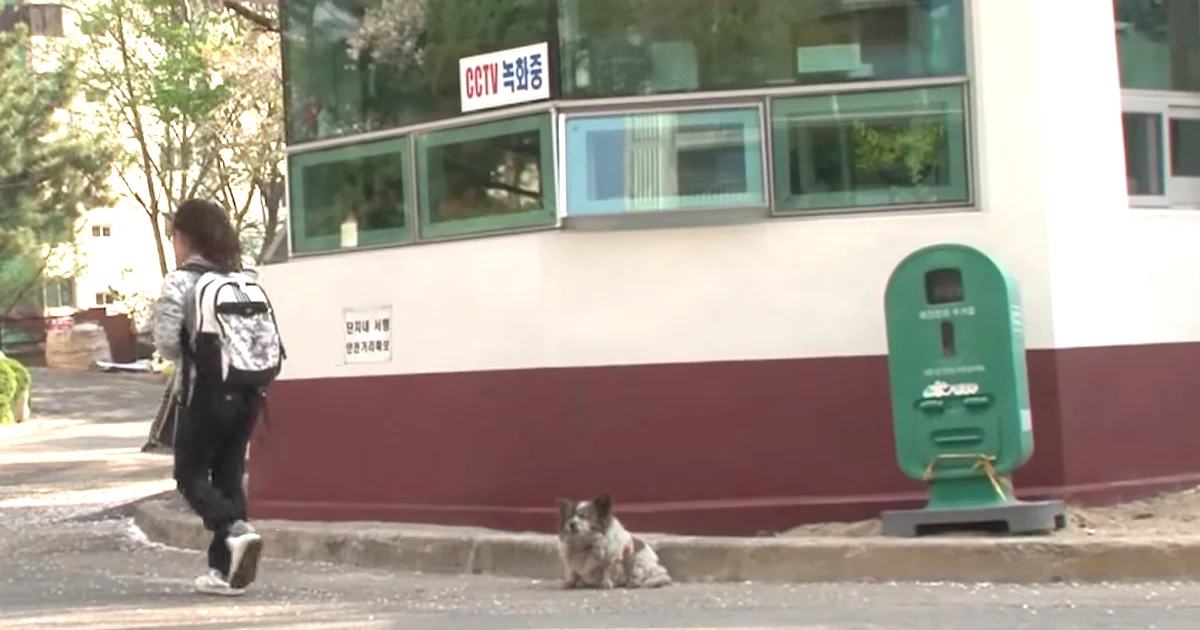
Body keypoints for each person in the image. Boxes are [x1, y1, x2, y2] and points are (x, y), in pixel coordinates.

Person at [152, 199, 264, 596]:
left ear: (184, 238)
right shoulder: (242, 278)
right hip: (250, 391)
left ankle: (234, 529)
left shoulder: (182, 283)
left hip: (206, 395)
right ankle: (226, 571)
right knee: (229, 476)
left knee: (190, 475)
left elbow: (166, 344)